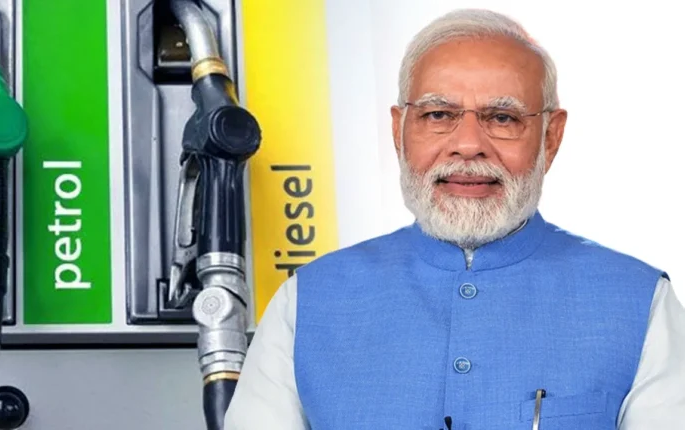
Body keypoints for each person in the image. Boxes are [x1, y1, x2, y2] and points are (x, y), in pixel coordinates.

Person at [223, 8, 685, 430]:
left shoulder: (642, 304)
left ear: (551, 136)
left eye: (502, 118)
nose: (468, 145)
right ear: (399, 131)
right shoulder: (305, 304)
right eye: (438, 114)